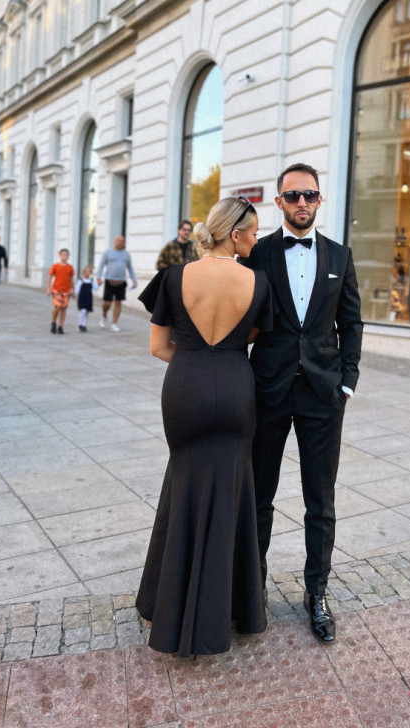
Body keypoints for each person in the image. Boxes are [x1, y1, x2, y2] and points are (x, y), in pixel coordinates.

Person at [136, 196, 272, 657]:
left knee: (184, 484)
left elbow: (157, 347)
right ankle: (227, 610)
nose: (256, 239)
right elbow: (250, 337)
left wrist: (194, 360)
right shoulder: (257, 281)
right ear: (234, 234)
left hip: (185, 389)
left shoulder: (174, 277)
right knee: (232, 490)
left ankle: (168, 604)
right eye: (252, 232)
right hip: (236, 387)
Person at [242, 162, 363, 644]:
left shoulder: (340, 255)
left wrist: (347, 381)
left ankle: (318, 593)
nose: (301, 203)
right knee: (258, 499)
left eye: (309, 195)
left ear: (319, 200)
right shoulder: (257, 255)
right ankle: (251, 593)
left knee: (321, 500)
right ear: (278, 202)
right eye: (292, 196)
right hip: (266, 391)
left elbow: (351, 323)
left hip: (322, 394)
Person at [96, 236, 137, 332]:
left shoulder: (126, 255)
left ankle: (114, 323)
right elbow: (101, 265)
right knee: (107, 303)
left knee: (118, 303)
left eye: (122, 241)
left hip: (121, 282)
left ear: (124, 243)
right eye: (118, 240)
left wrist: (134, 280)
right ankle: (104, 315)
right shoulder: (108, 253)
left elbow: (130, 268)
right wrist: (98, 278)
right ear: (114, 241)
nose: (120, 242)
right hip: (109, 281)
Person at [47, 249, 75, 334]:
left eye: (66, 255)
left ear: (68, 257)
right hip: (56, 290)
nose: (65, 257)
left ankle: (60, 326)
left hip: (66, 291)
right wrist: (49, 288)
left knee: (63, 308)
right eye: (63, 255)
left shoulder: (70, 267)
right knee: (57, 307)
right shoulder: (55, 266)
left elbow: (71, 279)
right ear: (59, 256)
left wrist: (73, 290)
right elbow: (50, 277)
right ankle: (53, 322)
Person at [75, 265, 98, 332]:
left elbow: (95, 288)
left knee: (87, 312)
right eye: (86, 271)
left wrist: (99, 284)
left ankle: (84, 325)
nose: (87, 273)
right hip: (82, 297)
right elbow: (77, 288)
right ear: (83, 272)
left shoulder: (91, 280)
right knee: (83, 311)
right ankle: (80, 324)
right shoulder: (81, 280)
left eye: (89, 271)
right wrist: (74, 294)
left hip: (89, 297)